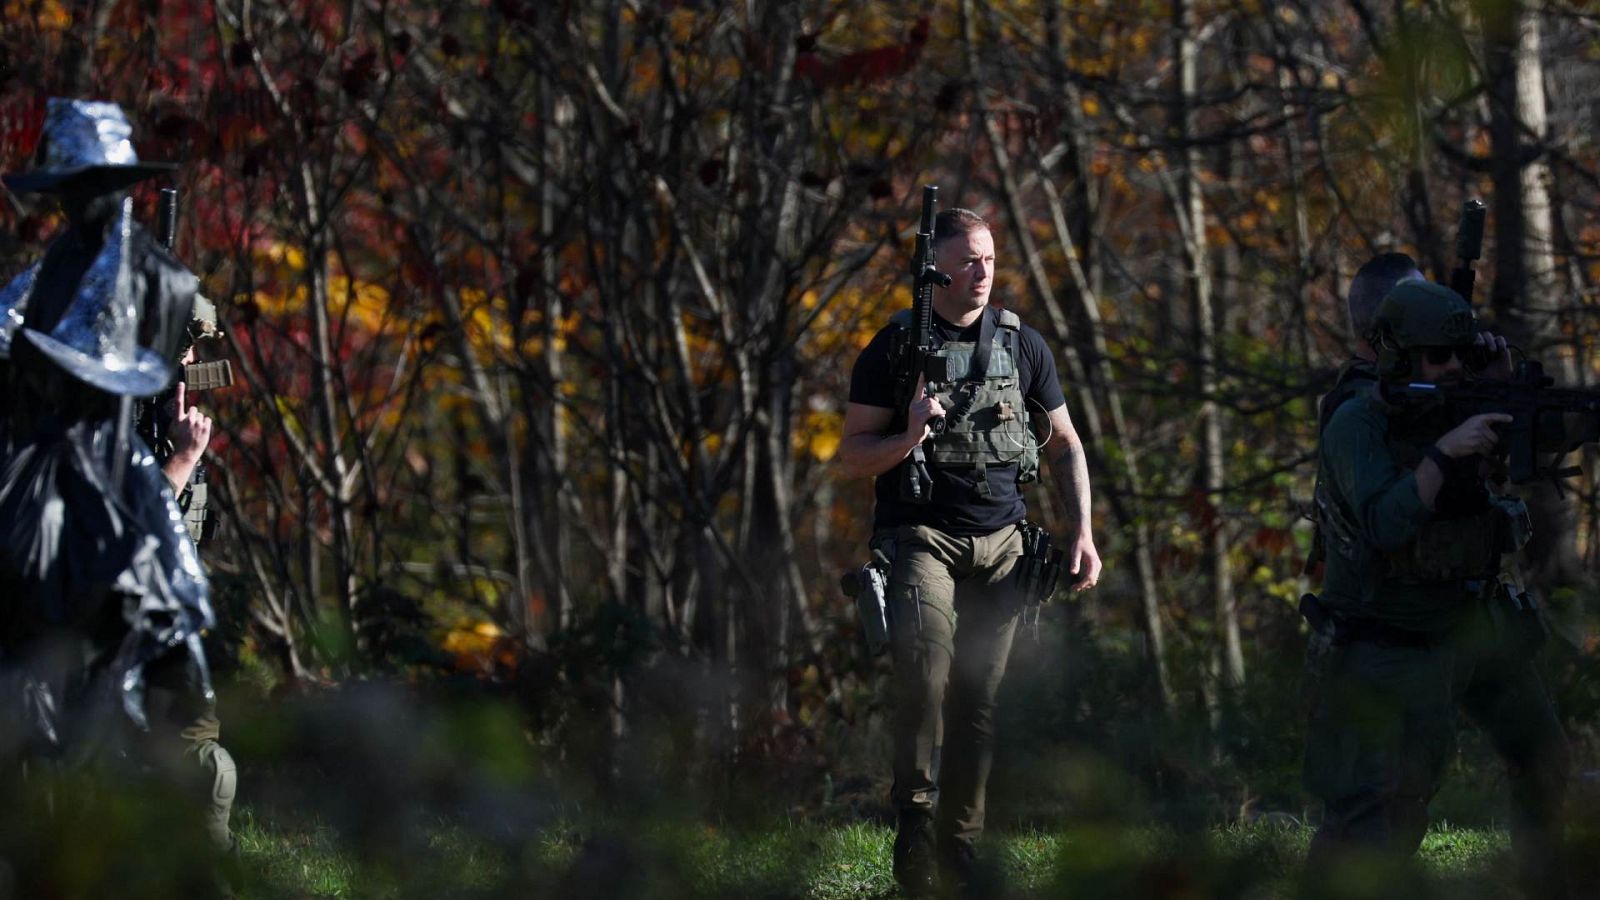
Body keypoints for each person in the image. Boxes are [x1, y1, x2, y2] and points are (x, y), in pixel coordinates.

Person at [837, 207, 1101, 895]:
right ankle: (916, 828)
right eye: (969, 260)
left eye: (990, 258)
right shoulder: (894, 350)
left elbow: (1067, 443)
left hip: (1005, 543)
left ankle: (961, 852)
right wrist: (908, 436)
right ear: (937, 270)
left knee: (981, 700)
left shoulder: (1021, 345)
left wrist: (1083, 532)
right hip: (922, 535)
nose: (984, 272)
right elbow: (851, 455)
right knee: (925, 678)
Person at [1301, 279, 1568, 897]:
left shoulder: (1461, 402)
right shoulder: (1357, 421)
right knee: (1383, 814)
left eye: (1462, 355)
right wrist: (1446, 454)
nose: (1453, 370)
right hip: (1391, 639)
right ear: (1398, 356)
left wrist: (1501, 387)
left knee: (1544, 756)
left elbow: (1555, 428)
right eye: (1438, 358)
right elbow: (1385, 524)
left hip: (1473, 622)